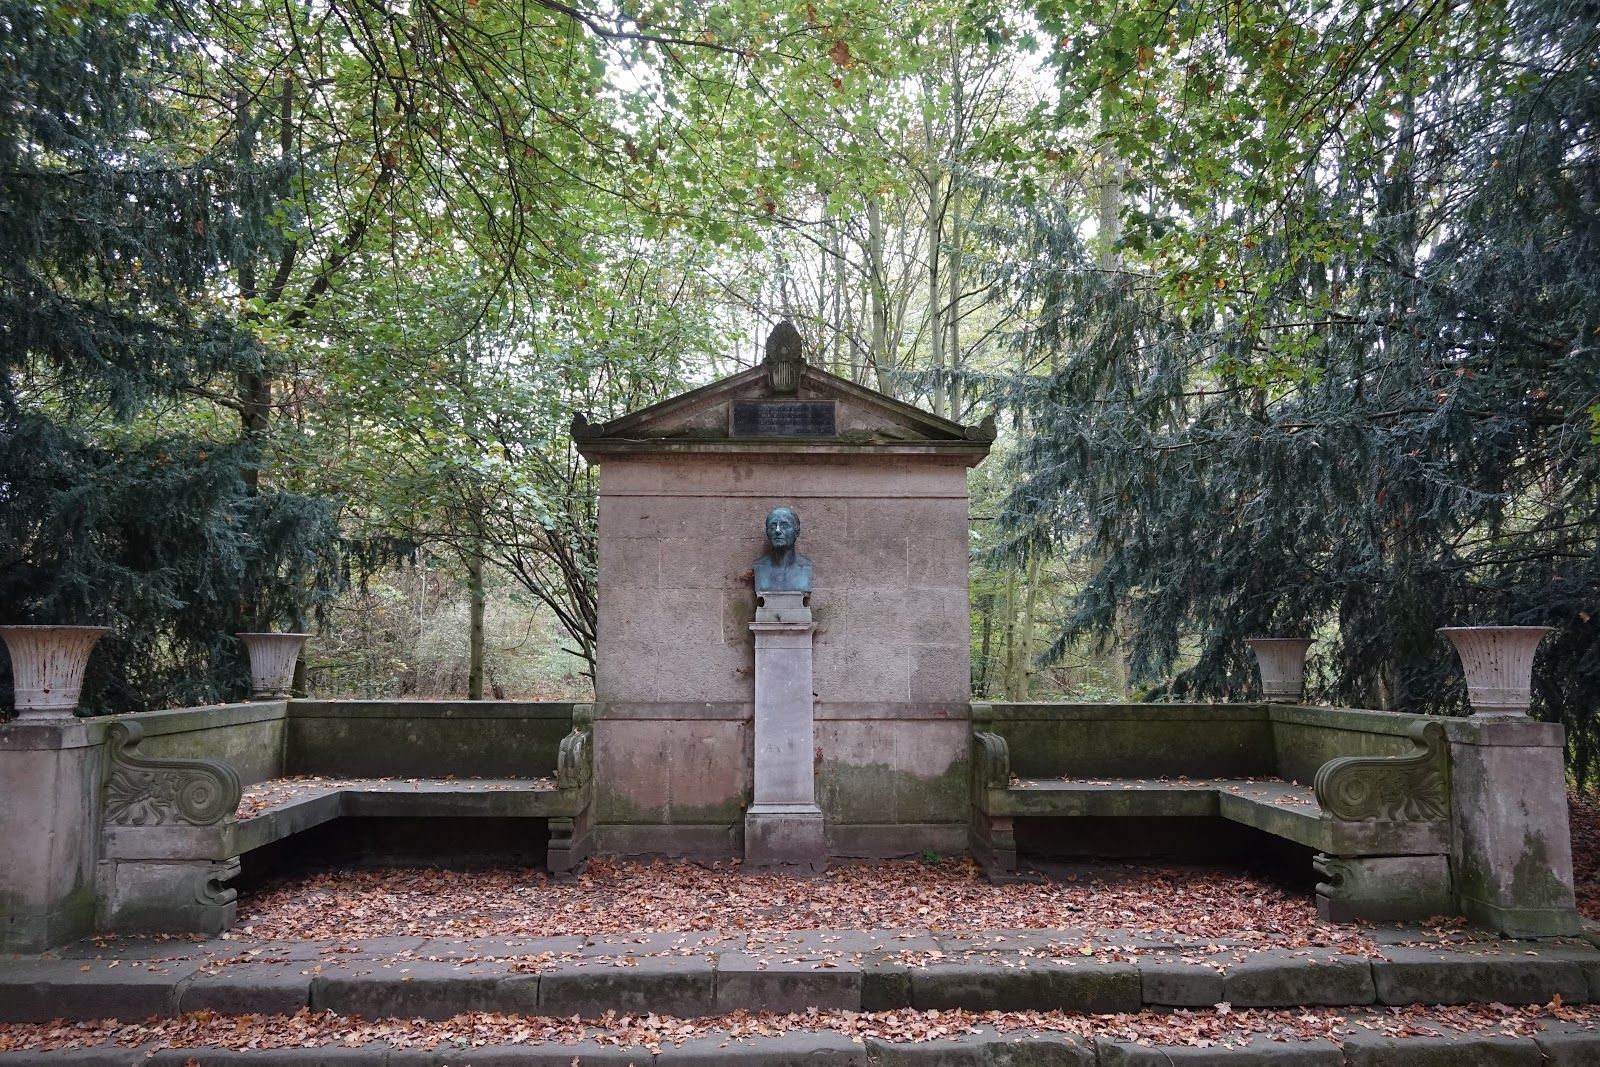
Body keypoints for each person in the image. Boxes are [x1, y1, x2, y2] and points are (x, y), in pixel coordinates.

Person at [753, 506, 812, 592]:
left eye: (784, 526)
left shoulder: (806, 567)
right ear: (767, 532)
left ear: (797, 532)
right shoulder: (759, 567)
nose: (777, 530)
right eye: (772, 527)